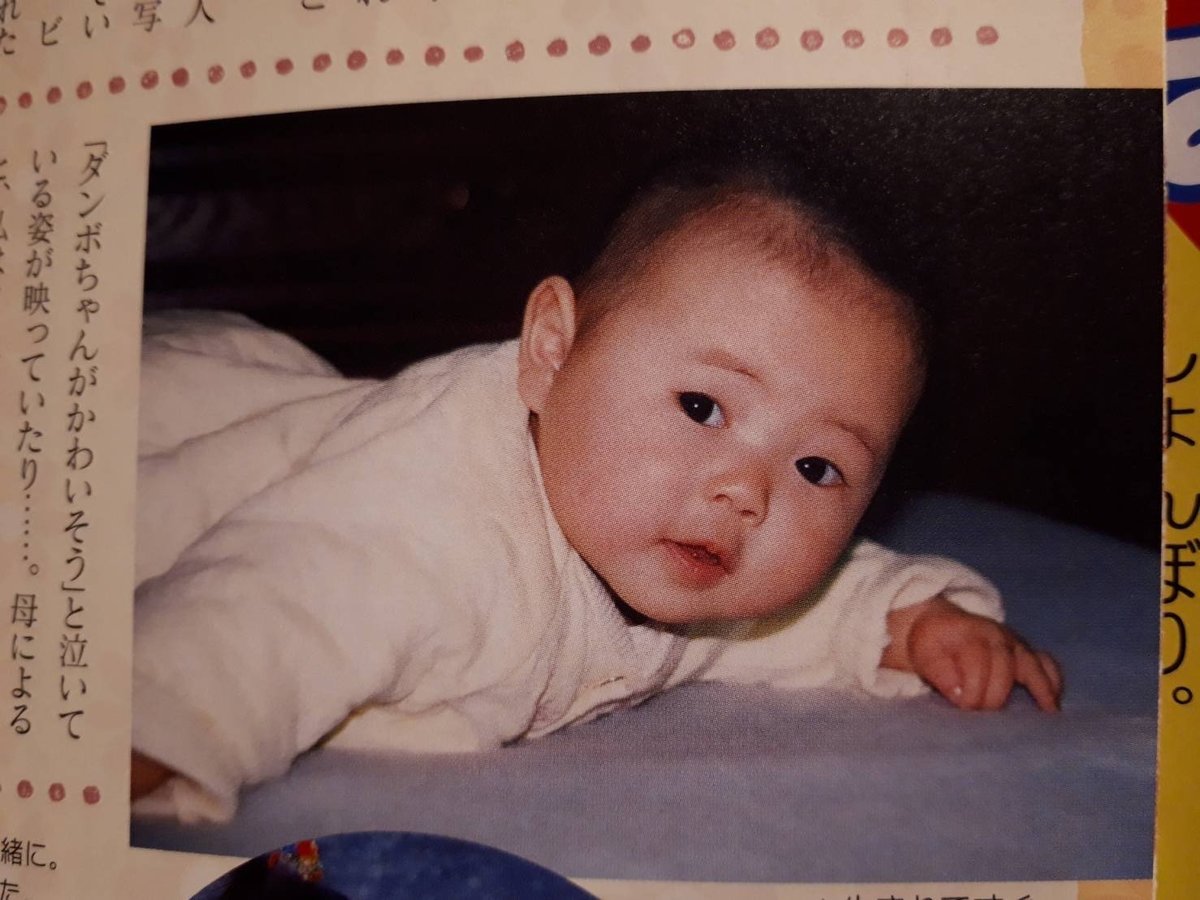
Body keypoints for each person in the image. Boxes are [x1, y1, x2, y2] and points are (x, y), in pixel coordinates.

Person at [130, 165, 1061, 823]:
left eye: (816, 469)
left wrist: (916, 618)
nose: (746, 491)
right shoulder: (430, 523)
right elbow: (250, 627)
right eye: (702, 407)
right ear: (552, 351)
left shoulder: (696, 556)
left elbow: (816, 606)